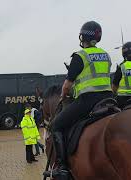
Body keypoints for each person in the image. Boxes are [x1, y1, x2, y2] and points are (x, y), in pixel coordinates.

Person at [45, 21, 113, 178]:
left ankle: (62, 167)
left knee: (56, 125)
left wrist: (63, 95)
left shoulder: (80, 56)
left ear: (83, 37)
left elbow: (67, 85)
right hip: (109, 98)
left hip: (88, 100)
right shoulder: (106, 55)